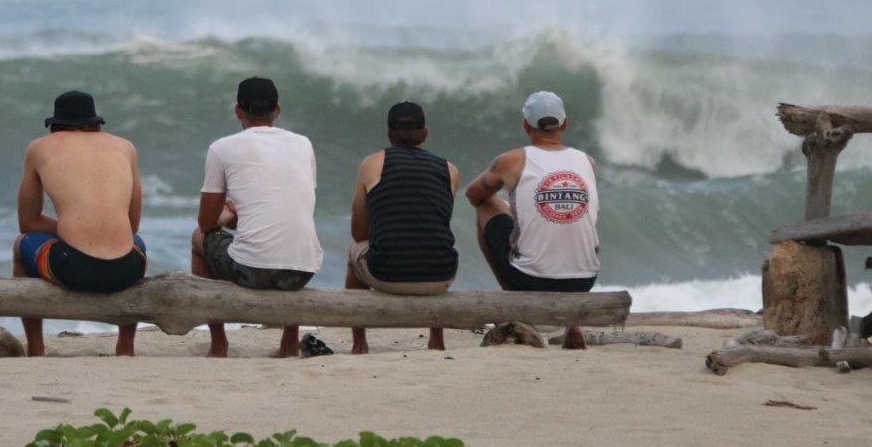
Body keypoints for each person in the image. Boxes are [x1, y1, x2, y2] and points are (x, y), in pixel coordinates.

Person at [191, 77, 322, 358]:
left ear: (238, 111)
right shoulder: (303, 144)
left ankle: (218, 343)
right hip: (302, 271)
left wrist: (227, 214)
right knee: (288, 234)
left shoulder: (222, 148)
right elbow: (294, 202)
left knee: (199, 238)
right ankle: (289, 342)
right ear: (278, 110)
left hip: (252, 271)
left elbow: (205, 223)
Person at [12, 91, 145, 357]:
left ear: (55, 128)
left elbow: (28, 223)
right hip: (126, 270)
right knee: (136, 243)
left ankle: (36, 347)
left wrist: (69, 229)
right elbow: (132, 224)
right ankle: (126, 346)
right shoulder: (125, 146)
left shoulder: (39, 147)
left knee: (20, 244)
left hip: (70, 268)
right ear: (95, 125)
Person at [464, 91, 599, 350]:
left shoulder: (512, 160)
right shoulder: (587, 162)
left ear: (525, 125)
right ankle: (574, 324)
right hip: (584, 280)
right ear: (565, 124)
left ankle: (515, 304)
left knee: (486, 206)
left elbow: (473, 195)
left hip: (531, 279)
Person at [346, 102, 459, 354]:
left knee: (354, 252)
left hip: (386, 274)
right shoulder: (449, 169)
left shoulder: (371, 164)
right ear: (425, 133)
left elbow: (358, 233)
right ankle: (436, 340)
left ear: (388, 134)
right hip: (441, 275)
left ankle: (359, 343)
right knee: (432, 241)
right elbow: (437, 222)